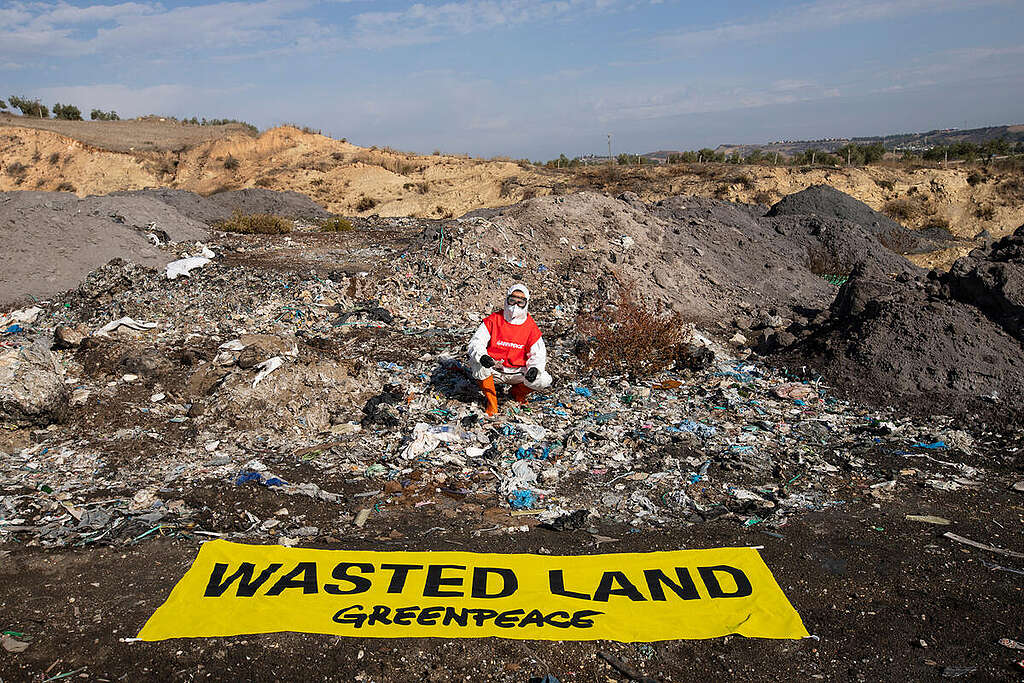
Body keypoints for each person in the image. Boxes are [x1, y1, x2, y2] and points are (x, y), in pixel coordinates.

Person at [467, 284, 552, 416]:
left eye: (520, 302)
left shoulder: (530, 327)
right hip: (494, 369)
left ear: (526, 303)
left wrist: (534, 368)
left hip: (517, 373)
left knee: (543, 379)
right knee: (477, 364)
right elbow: (476, 342)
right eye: (512, 300)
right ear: (506, 299)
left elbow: (538, 354)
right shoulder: (493, 320)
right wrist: (483, 356)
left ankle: (517, 393)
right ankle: (492, 403)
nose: (515, 306)